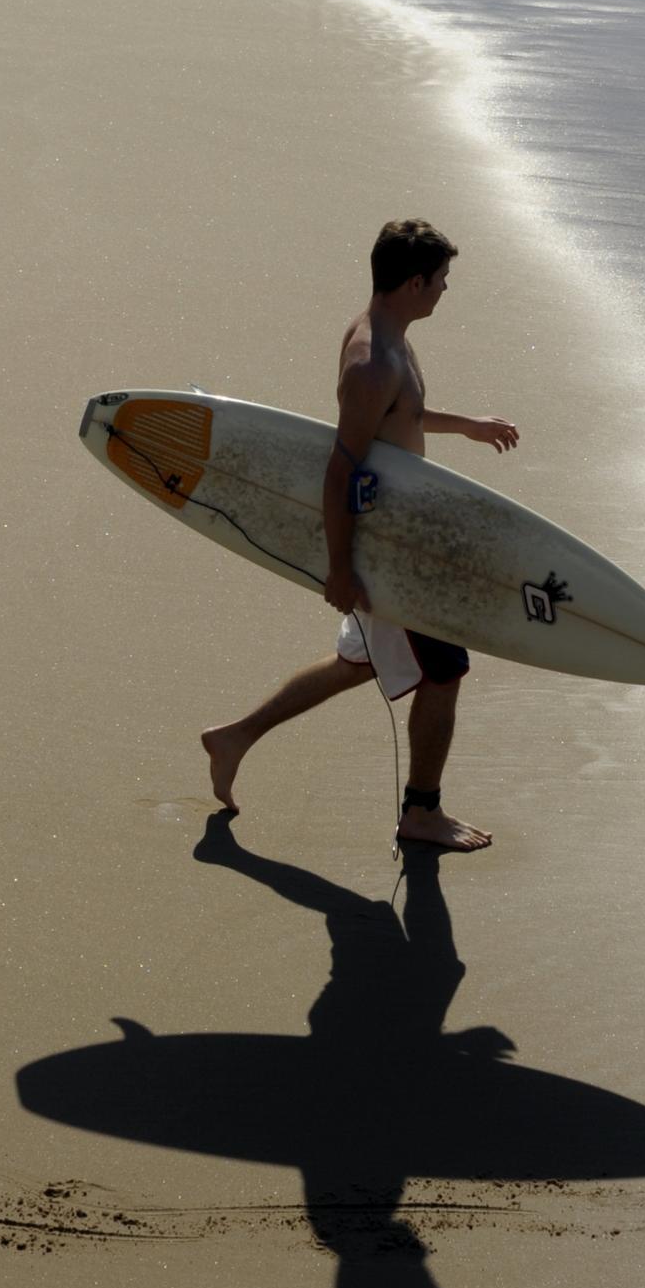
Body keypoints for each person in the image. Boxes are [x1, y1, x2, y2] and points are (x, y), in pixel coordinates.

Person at [200, 220, 517, 852]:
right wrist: (341, 568)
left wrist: (468, 426)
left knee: (357, 663)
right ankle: (421, 812)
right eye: (442, 281)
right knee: (444, 673)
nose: (445, 291)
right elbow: (341, 465)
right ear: (414, 280)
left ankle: (234, 736)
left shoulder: (389, 335)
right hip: (389, 547)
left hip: (396, 533)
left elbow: (406, 417)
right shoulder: (372, 361)